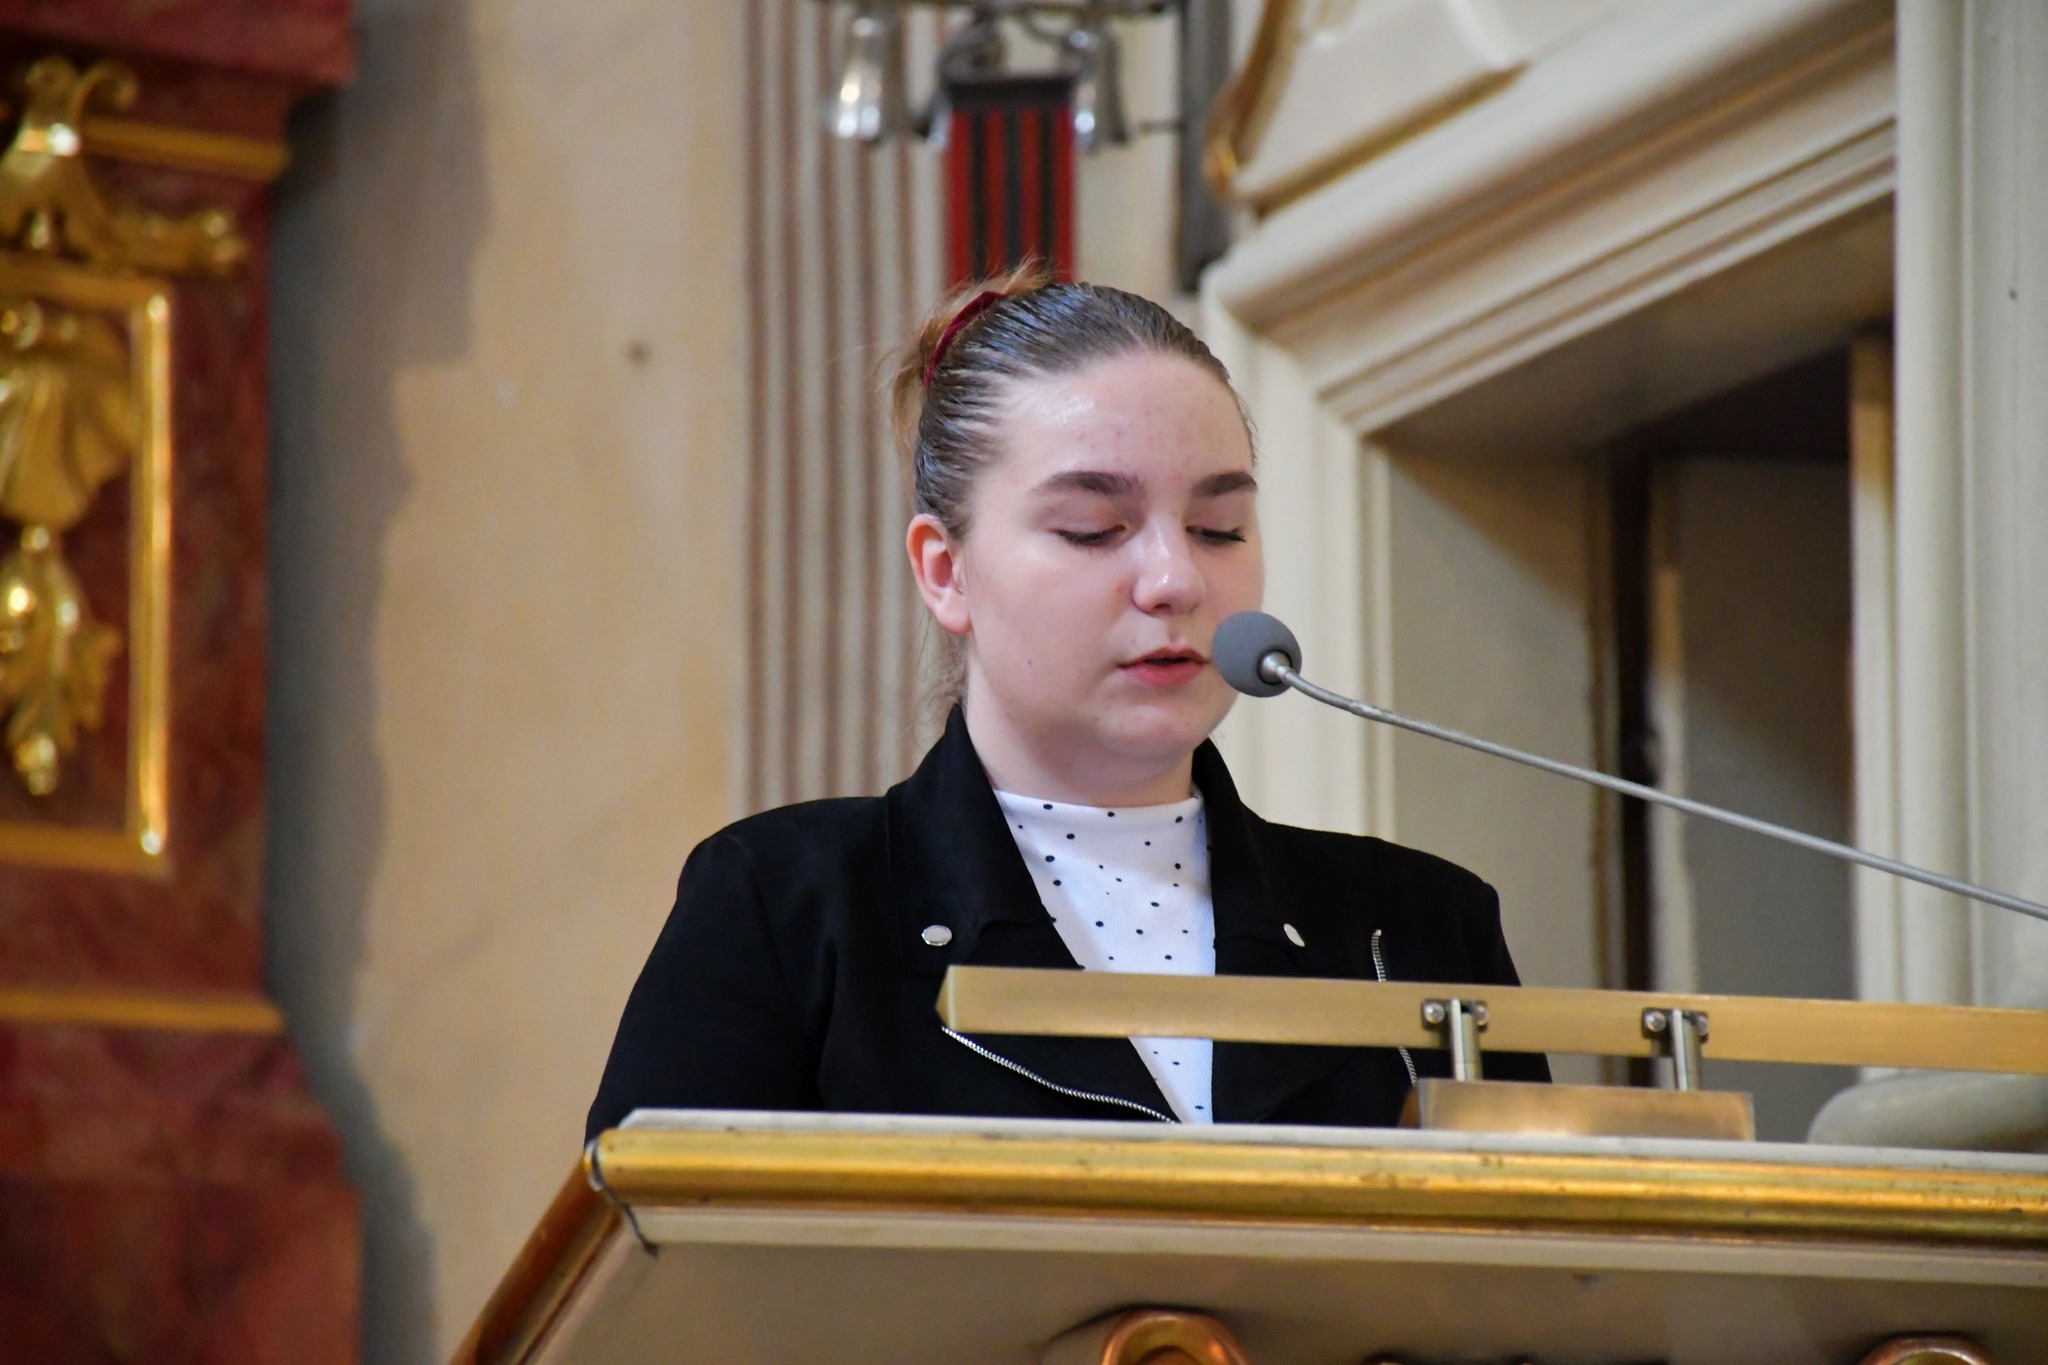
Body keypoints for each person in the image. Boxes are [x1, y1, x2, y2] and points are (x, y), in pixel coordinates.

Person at [586, 265, 1547, 1140]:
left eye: (1218, 526)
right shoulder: (787, 906)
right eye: (1093, 528)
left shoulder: (1418, 924)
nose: (1174, 579)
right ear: (945, 571)